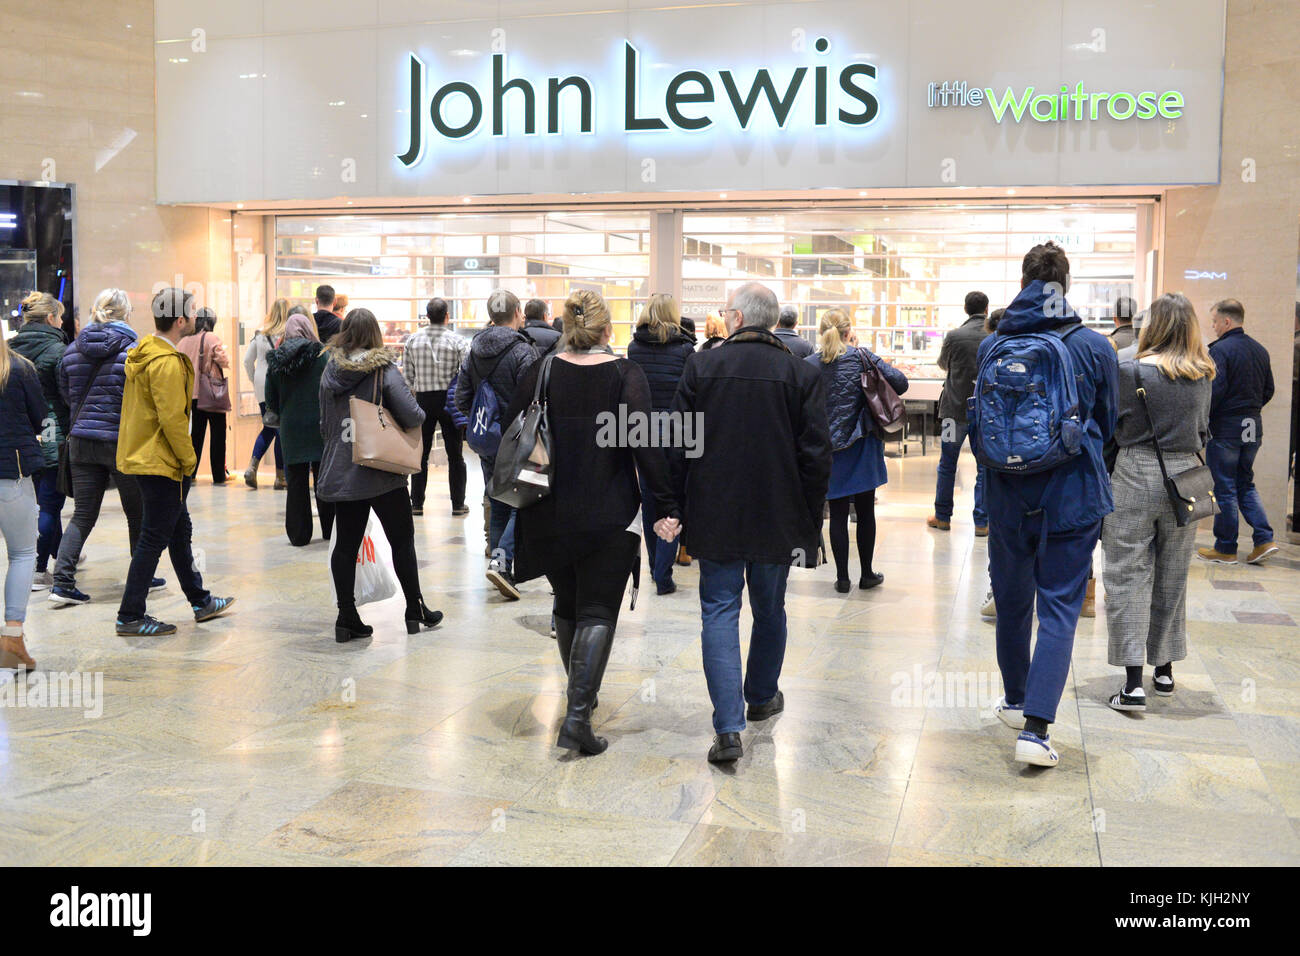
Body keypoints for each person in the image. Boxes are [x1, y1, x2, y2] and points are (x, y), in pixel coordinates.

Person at [665, 282, 831, 764]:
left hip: (715, 512)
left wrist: (674, 505)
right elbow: (816, 457)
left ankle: (727, 729)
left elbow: (677, 442)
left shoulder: (702, 366)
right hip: (777, 516)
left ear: (736, 319)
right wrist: (809, 518)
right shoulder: (801, 375)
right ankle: (761, 696)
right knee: (770, 608)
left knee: (718, 610)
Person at [505, 290, 677, 755]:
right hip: (609, 512)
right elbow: (644, 444)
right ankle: (578, 715)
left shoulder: (540, 370)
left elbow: (512, 425)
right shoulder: (625, 373)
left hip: (546, 510)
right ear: (607, 330)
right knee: (599, 609)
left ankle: (583, 694)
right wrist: (666, 505)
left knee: (567, 603)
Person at [977, 242, 1117, 768]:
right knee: (1059, 606)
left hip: (1006, 492)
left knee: (1013, 604)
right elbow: (1110, 423)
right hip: (1072, 494)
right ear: (1067, 284)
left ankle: (1015, 701)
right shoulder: (1093, 345)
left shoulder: (994, 343)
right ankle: (1035, 731)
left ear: (1023, 280)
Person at [1102, 293, 1214, 712]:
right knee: (1173, 572)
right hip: (1188, 475)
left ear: (1152, 326)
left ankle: (1132, 683)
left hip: (1135, 470)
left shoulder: (1128, 369)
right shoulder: (1204, 373)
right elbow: (1204, 430)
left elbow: (1112, 426)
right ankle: (1164, 669)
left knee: (1126, 571)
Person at [115, 288, 235, 636]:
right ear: (180, 320)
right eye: (193, 312)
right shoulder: (166, 363)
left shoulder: (145, 352)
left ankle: (200, 600)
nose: (197, 317)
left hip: (148, 458)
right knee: (154, 538)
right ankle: (130, 615)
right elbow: (172, 420)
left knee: (179, 532)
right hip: (160, 461)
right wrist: (188, 460)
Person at [318, 309, 442, 641]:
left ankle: (346, 617)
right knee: (402, 541)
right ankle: (415, 609)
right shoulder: (384, 370)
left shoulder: (330, 371)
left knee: (345, 545)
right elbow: (414, 415)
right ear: (374, 334)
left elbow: (324, 423)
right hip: (381, 472)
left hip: (342, 472)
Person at [49, 289, 153, 606]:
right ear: (125, 313)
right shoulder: (134, 349)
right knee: (136, 514)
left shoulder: (71, 351)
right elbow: (141, 397)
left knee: (82, 515)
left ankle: (62, 582)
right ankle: (141, 577)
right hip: (120, 442)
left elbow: (67, 395)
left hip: (81, 442)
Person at [808, 308, 908, 592]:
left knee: (837, 512)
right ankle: (866, 574)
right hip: (862, 443)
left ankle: (841, 578)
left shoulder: (809, 364)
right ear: (848, 331)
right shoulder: (863, 357)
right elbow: (901, 382)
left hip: (829, 449)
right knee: (865, 511)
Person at [456, 289, 538, 600]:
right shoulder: (523, 352)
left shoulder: (474, 349)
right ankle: (502, 561)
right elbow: (535, 402)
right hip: (517, 440)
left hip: (487, 443)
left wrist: (483, 423)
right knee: (523, 502)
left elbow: (461, 397)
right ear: (518, 312)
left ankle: (499, 563)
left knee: (499, 498)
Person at [1198, 298, 1279, 565]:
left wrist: (1204, 420)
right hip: (1253, 427)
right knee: (1245, 482)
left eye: (1214, 322)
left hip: (1226, 429)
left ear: (1227, 321)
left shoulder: (1220, 351)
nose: (1213, 327)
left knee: (1224, 487)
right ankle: (1264, 539)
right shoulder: (1260, 350)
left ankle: (1225, 547)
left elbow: (1214, 393)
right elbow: (1268, 390)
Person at [625, 292, 695, 595]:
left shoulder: (633, 348)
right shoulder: (686, 350)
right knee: (673, 500)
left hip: (642, 429)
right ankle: (663, 574)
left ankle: (655, 565)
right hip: (677, 431)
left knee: (650, 497)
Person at [10, 292, 70, 591]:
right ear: (50, 319)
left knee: (43, 501)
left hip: (21, 436)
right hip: (51, 430)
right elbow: (66, 396)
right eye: (60, 317)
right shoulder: (58, 350)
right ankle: (38, 567)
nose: (62, 322)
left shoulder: (9, 349)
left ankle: (60, 553)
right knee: (49, 504)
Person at [0, 329, 47, 671]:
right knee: (22, 553)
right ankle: (12, 636)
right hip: (11, 472)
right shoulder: (19, 368)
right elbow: (41, 417)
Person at [265, 313, 333, 546]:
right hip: (319, 425)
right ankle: (329, 530)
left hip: (291, 428)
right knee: (323, 478)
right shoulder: (321, 355)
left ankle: (299, 534)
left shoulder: (276, 360)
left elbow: (270, 399)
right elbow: (330, 387)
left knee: (296, 481)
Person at [403, 297, 471, 517]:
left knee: (420, 455)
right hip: (450, 402)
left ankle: (417, 504)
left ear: (427, 316)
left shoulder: (413, 340)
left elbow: (408, 378)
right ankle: (458, 504)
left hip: (422, 400)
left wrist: (418, 389)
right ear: (447, 316)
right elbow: (466, 373)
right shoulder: (458, 341)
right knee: (455, 455)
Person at [928, 291, 989, 535]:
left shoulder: (954, 336)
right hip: (984, 414)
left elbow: (943, 364)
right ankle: (982, 522)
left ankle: (943, 517)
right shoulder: (993, 336)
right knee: (984, 466)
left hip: (954, 410)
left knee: (947, 465)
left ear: (965, 308)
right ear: (986, 309)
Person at [179, 307, 231, 484]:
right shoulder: (211, 338)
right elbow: (223, 361)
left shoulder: (184, 340)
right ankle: (218, 476)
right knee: (218, 435)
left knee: (196, 435)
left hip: (192, 394)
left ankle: (190, 474)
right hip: (211, 392)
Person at [242, 298, 288, 490]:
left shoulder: (260, 333)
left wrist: (254, 380)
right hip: (281, 385)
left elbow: (247, 360)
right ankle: (280, 477)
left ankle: (252, 467)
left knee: (269, 427)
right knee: (279, 431)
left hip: (262, 384)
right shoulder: (287, 333)